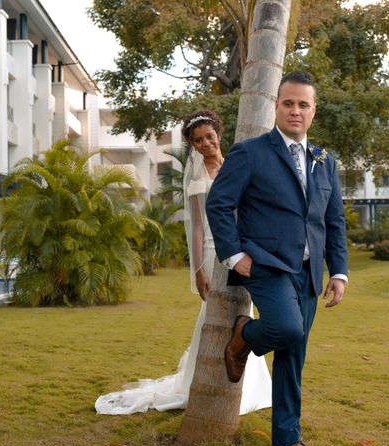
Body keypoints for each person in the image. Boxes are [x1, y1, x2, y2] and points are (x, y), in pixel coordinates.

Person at [206, 72, 348, 446]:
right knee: (286, 329)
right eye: (288, 103)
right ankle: (243, 336)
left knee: (293, 355)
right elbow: (218, 204)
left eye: (304, 104)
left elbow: (333, 221)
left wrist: (339, 271)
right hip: (265, 264)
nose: (296, 110)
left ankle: (286, 441)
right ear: (276, 107)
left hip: (309, 272)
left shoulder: (325, 161)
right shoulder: (250, 152)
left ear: (314, 110)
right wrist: (234, 255)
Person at [95, 110, 272, 416]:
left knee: (244, 309)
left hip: (241, 250)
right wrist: (199, 269)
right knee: (212, 314)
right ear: (191, 144)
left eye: (209, 136)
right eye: (198, 140)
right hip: (210, 250)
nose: (205, 144)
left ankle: (251, 385)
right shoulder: (196, 176)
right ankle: (200, 378)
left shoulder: (237, 165)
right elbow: (197, 226)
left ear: (219, 133)